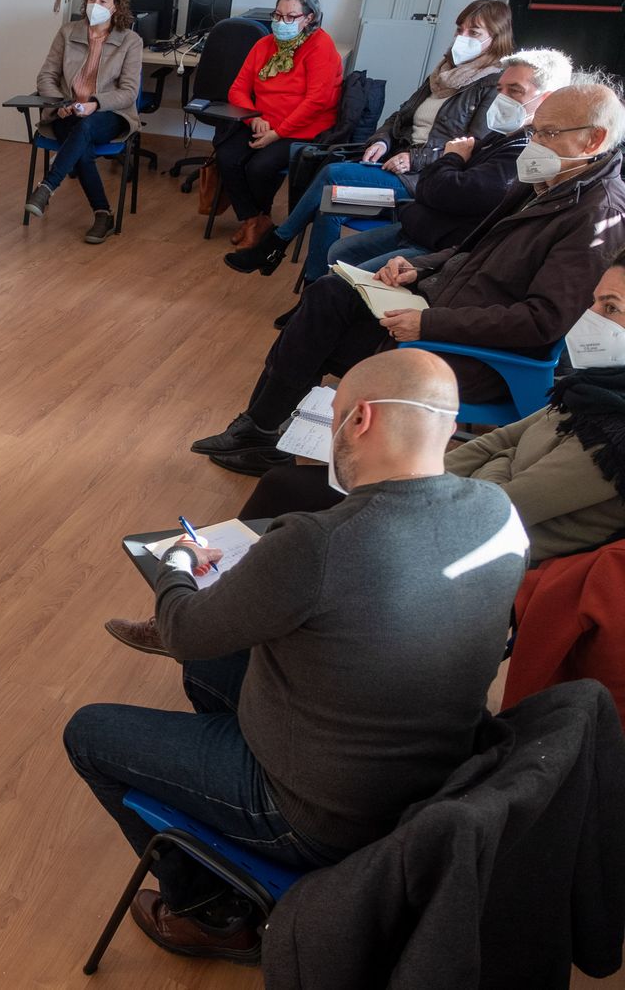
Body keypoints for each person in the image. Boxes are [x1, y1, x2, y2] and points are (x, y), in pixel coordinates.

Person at [67, 349, 529, 962]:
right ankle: (219, 819)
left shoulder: (321, 540)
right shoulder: (498, 511)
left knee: (90, 732)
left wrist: (176, 561)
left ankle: (210, 911)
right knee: (212, 665)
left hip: (320, 812)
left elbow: (182, 630)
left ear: (359, 420)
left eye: (333, 416)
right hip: (431, 777)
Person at [194, 81, 625, 476]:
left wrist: (428, 324)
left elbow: (542, 321)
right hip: (442, 310)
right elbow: (471, 249)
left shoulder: (595, 215)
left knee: (319, 330)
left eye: (548, 134)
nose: (535, 144)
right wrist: (420, 266)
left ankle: (262, 433)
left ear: (593, 140)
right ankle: (262, 428)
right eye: (535, 132)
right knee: (328, 294)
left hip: (473, 352)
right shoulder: (552, 183)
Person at [226, 258, 625, 564]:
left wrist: (490, 463)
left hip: (466, 548)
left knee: (291, 501)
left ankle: (227, 610)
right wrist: (430, 479)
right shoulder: (597, 388)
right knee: (286, 488)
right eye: (593, 301)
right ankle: (232, 591)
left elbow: (500, 503)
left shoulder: (615, 432)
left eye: (610, 308)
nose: (588, 318)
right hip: (451, 504)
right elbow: (502, 440)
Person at [226, 0, 515, 277]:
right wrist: (382, 142)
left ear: (496, 38)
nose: (462, 37)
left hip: (423, 182)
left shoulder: (492, 85)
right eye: (460, 29)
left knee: (333, 172)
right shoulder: (443, 74)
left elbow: (473, 147)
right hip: (393, 168)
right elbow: (398, 117)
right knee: (330, 205)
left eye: (473, 33)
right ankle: (315, 287)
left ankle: (276, 243)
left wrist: (414, 157)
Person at [327, 48, 573, 274]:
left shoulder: (525, 149)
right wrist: (384, 141)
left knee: (334, 184)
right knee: (333, 210)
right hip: (418, 215)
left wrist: (449, 158)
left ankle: (303, 271)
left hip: (430, 226)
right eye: (500, 90)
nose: (503, 98)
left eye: (515, 90)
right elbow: (402, 119)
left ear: (547, 99)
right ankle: (302, 272)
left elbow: (454, 189)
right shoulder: (493, 132)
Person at [212, 0, 343, 250]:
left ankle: (256, 221)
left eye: (290, 17)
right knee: (226, 155)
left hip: (302, 128)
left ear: (309, 18)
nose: (282, 23)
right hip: (262, 121)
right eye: (278, 15)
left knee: (259, 167)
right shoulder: (264, 44)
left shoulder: (321, 46)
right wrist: (254, 119)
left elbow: (317, 101)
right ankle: (254, 220)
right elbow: (236, 89)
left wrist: (278, 132)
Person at [23, 0, 143, 244]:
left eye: (103, 1)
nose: (95, 6)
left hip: (109, 114)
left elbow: (128, 92)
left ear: (116, 6)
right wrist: (60, 103)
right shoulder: (68, 32)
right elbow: (46, 76)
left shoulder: (130, 41)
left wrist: (95, 103)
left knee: (85, 126)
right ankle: (103, 214)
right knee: (82, 146)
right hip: (67, 112)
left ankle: (47, 186)